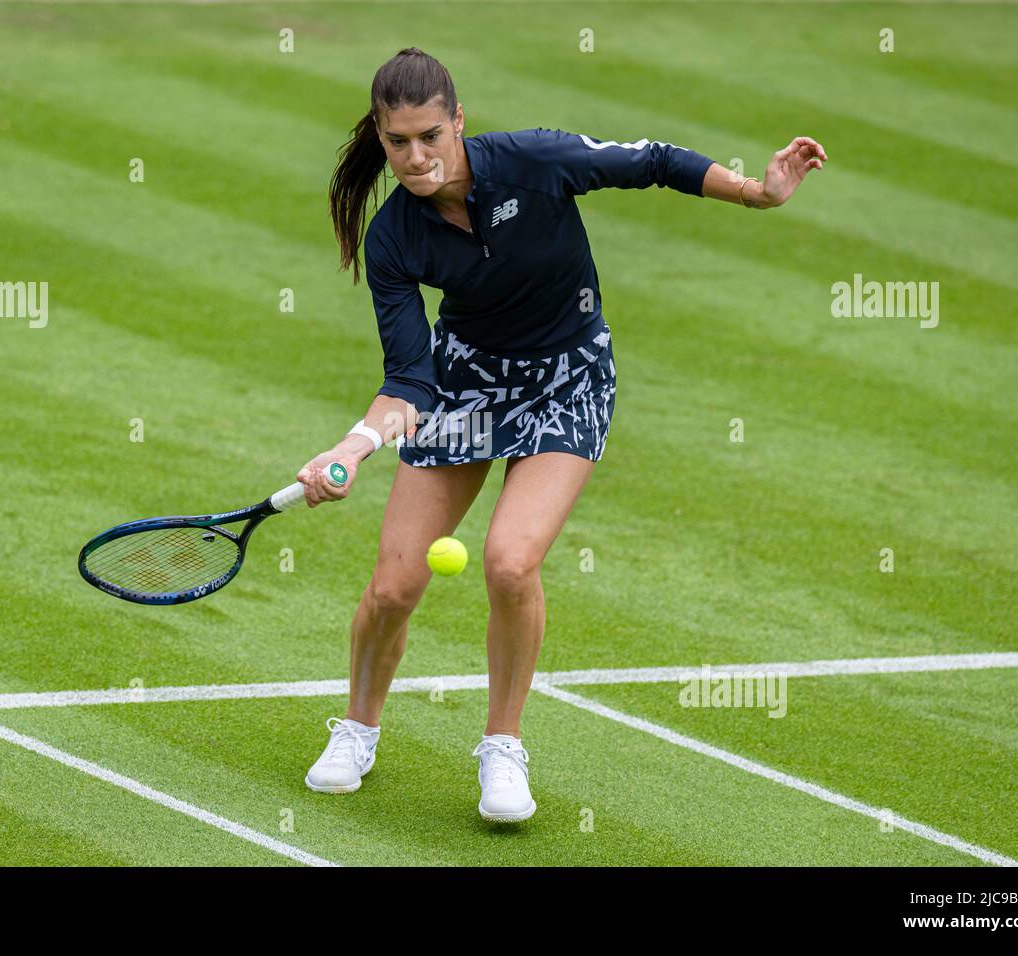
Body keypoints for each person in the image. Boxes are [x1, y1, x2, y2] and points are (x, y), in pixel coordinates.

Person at [298, 47, 826, 822]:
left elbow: (650, 161)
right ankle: (358, 729)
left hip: (566, 377)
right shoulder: (394, 239)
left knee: (511, 562)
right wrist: (353, 447)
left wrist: (756, 192)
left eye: (430, 136)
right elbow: (410, 377)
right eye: (398, 142)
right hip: (468, 383)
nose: (415, 157)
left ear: (459, 125)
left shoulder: (535, 161)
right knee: (394, 585)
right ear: (380, 138)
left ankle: (503, 749)